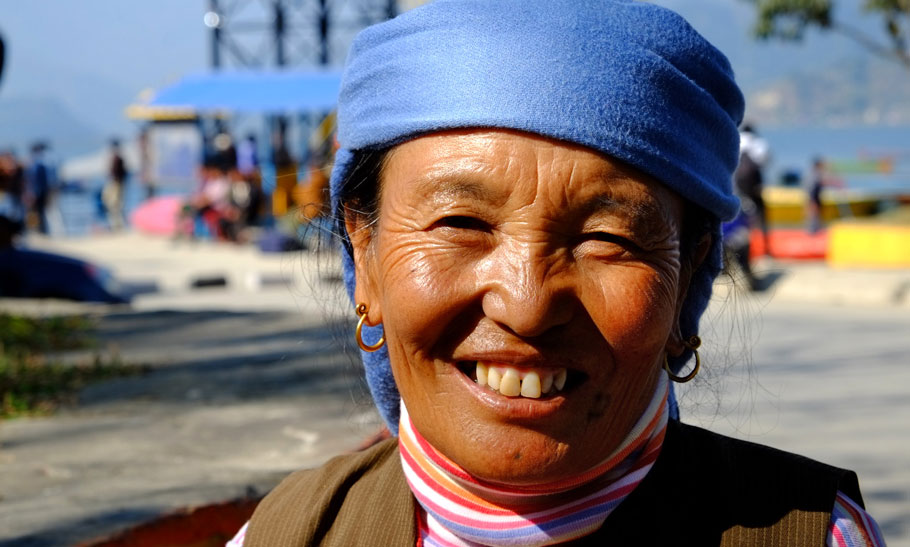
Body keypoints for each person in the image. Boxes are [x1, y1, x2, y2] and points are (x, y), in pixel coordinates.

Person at [231, 2, 884, 545]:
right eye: (461, 223)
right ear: (364, 251)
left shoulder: (814, 534)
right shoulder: (286, 532)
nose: (527, 303)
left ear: (686, 283)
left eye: (607, 238)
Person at [735, 123, 771, 255]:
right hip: (754, 183)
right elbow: (765, 160)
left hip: (739, 183)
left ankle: (742, 247)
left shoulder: (737, 140)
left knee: (740, 213)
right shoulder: (758, 142)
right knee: (761, 213)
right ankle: (765, 247)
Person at [103, 138, 129, 231]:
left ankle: (118, 226)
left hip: (116, 184)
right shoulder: (117, 158)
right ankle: (116, 225)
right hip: (115, 184)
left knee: (115, 205)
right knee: (113, 205)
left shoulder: (118, 158)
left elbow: (118, 173)